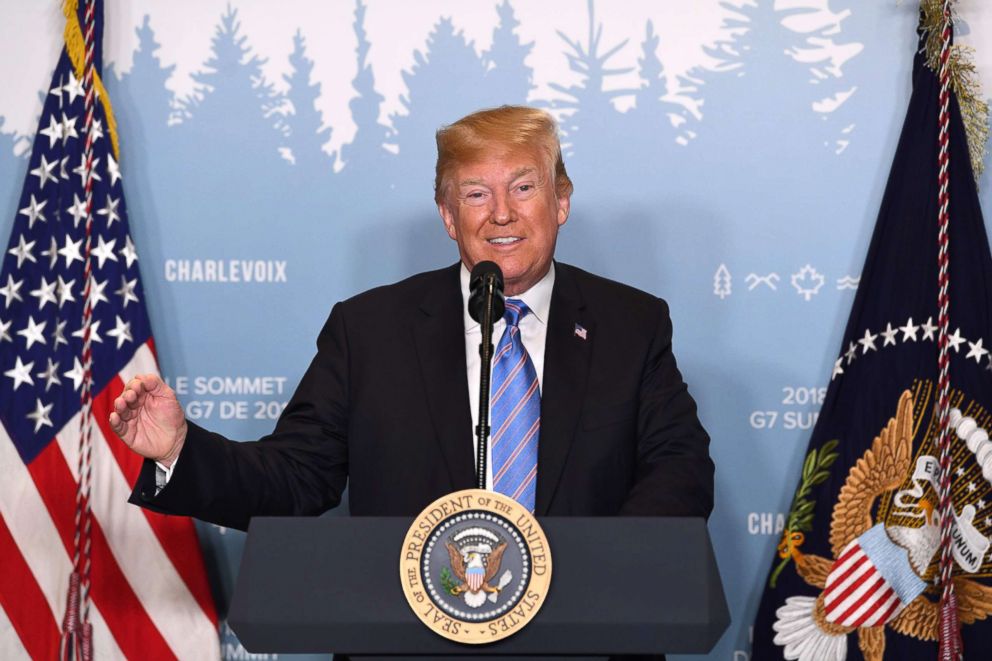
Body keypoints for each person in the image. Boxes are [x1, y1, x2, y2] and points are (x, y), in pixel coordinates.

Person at [111, 105, 713, 532]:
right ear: (449, 215)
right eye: (476, 194)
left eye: (523, 188)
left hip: (587, 637)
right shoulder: (369, 331)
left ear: (561, 200)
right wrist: (179, 450)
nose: (501, 215)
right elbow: (295, 479)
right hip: (406, 639)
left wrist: (599, 577)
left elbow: (679, 473)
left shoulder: (631, 325)